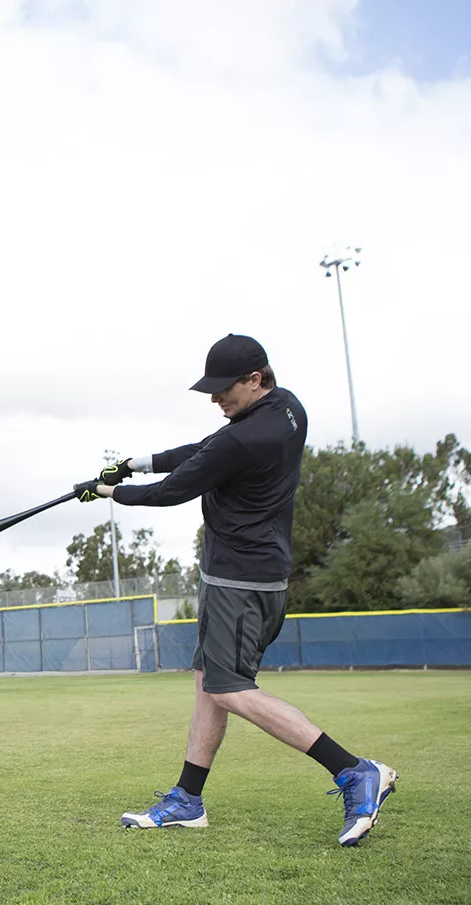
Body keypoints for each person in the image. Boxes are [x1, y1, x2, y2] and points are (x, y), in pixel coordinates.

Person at [74, 334, 397, 847]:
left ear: (255, 378)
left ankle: (354, 770)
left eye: (223, 389)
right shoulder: (287, 408)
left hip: (241, 582)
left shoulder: (245, 439)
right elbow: (202, 451)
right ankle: (187, 799)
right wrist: (135, 462)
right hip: (248, 575)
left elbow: (175, 489)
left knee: (227, 688)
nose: (215, 399)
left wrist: (110, 491)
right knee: (209, 681)